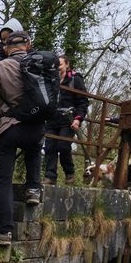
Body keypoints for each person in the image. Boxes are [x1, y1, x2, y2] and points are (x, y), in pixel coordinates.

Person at [0, 31, 44, 247]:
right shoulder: (41, 66)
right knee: (33, 153)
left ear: (6, 48)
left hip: (6, 127)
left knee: (3, 180)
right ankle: (33, 189)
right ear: (28, 45)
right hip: (36, 126)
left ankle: (4, 231)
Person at [43, 55, 89, 185]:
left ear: (67, 65)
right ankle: (50, 176)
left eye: (60, 64)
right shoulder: (51, 79)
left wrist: (78, 119)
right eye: (56, 64)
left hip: (68, 119)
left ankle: (69, 173)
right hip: (52, 119)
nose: (57, 67)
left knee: (63, 146)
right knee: (50, 147)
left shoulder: (75, 79)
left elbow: (83, 101)